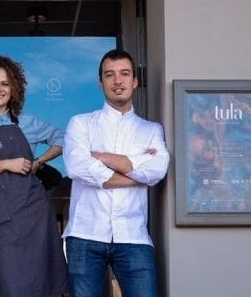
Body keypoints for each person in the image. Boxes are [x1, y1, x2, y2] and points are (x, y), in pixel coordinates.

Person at [62, 49, 170, 297]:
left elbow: (157, 170)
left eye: (124, 74)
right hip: (85, 235)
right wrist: (136, 173)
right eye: (109, 75)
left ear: (135, 81)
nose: (117, 81)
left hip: (133, 236)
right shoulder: (80, 124)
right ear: (101, 83)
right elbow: (77, 166)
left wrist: (102, 157)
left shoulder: (152, 130)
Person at [0, 55, 69, 296]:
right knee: (11, 288)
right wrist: (6, 163)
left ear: (13, 89)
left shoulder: (27, 123)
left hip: (35, 217)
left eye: (5, 83)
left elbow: (64, 139)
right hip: (0, 224)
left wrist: (40, 161)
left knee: (46, 287)